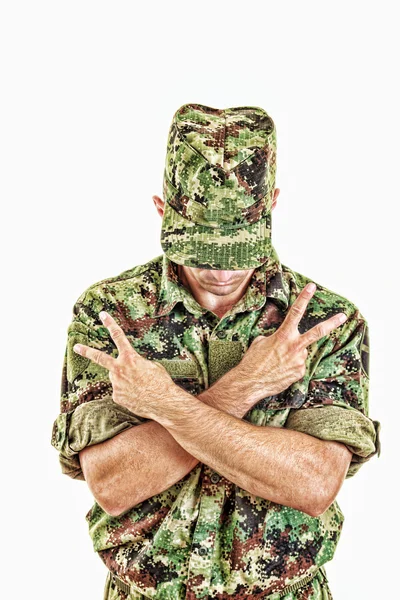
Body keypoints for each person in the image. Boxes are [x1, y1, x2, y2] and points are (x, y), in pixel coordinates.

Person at [51, 103, 381, 600]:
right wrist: (246, 385)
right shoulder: (110, 314)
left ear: (271, 204)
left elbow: (313, 486)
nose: (222, 273)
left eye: (238, 252)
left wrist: (163, 404)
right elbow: (114, 485)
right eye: (202, 251)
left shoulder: (326, 323)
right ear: (163, 210)